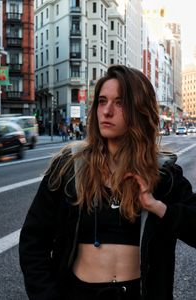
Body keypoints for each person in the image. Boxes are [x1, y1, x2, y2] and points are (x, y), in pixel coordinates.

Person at [19, 65, 196, 300]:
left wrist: (157, 207)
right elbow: (33, 240)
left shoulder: (164, 175)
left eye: (120, 103)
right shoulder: (69, 168)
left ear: (140, 110)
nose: (107, 111)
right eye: (102, 101)